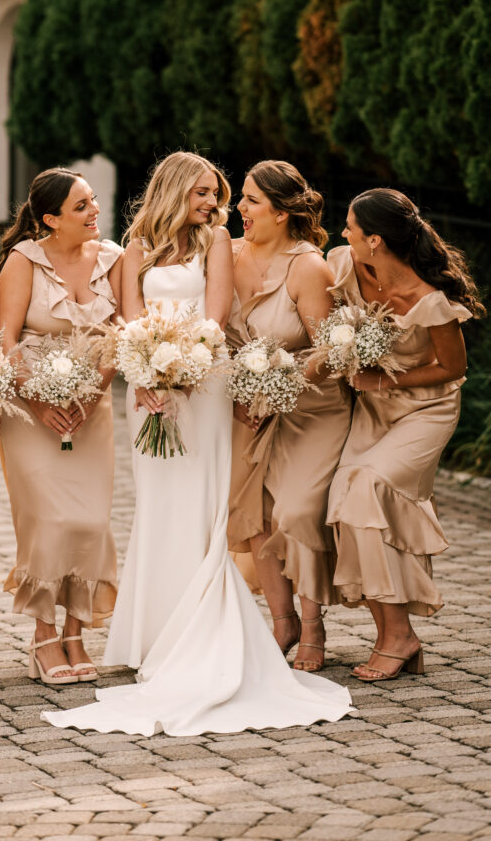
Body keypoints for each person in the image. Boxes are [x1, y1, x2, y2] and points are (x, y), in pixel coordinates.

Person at [43, 151, 353, 735]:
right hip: (149, 398)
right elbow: (130, 323)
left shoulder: (215, 244)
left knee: (206, 505)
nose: (216, 204)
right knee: (160, 507)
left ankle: (206, 628)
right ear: (176, 190)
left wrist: (184, 373)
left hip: (207, 388)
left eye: (218, 194)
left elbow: (215, 319)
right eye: (205, 193)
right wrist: (148, 379)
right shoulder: (134, 248)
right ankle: (156, 634)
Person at [327, 188, 484, 682]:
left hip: (426, 411)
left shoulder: (430, 301)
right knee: (344, 502)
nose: (342, 232)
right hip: (374, 411)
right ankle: (393, 634)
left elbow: (452, 367)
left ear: (375, 239)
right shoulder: (345, 267)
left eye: (351, 226)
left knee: (368, 489)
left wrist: (383, 378)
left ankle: (399, 636)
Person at [0, 169, 122, 686]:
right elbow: (4, 341)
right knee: (50, 522)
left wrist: (92, 397)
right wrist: (38, 403)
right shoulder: (24, 261)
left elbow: (123, 334)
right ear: (50, 219)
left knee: (90, 524)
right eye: (81, 206)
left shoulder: (111, 258)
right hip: (31, 415)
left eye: (92, 201)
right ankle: (44, 637)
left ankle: (76, 633)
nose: (94, 211)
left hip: (92, 410)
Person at [228, 161, 351, 672]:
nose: (240, 208)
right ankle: (283, 622)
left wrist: (277, 386)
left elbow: (331, 354)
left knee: (297, 512)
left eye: (251, 201)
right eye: (241, 197)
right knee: (252, 512)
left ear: (281, 214)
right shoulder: (227, 254)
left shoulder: (308, 267)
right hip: (245, 408)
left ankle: (314, 624)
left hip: (310, 409)